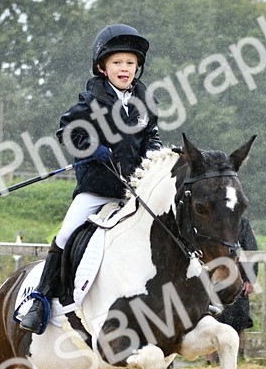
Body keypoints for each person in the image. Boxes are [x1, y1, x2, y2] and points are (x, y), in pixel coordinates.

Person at [18, 23, 163, 333]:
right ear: (103, 67)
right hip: (96, 190)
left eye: (130, 63)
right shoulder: (90, 100)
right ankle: (40, 299)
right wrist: (89, 147)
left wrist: (154, 156)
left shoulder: (144, 100)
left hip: (132, 193)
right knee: (66, 234)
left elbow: (151, 136)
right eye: (117, 63)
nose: (125, 69)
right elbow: (67, 132)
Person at [210, 217, 259, 363]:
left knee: (238, 317)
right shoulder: (208, 221)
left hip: (237, 279)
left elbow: (250, 249)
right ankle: (211, 358)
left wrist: (250, 278)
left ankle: (235, 356)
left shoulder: (241, 222)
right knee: (211, 317)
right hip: (212, 278)